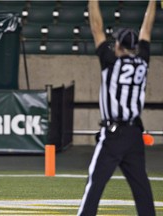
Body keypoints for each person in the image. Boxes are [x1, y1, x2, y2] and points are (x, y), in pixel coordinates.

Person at [78, 0, 156, 215]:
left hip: (113, 134)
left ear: (119, 46)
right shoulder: (143, 61)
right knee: (142, 190)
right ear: (135, 48)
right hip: (134, 135)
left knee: (94, 186)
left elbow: (96, 27)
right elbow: (147, 29)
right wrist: (153, 3)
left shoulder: (111, 62)